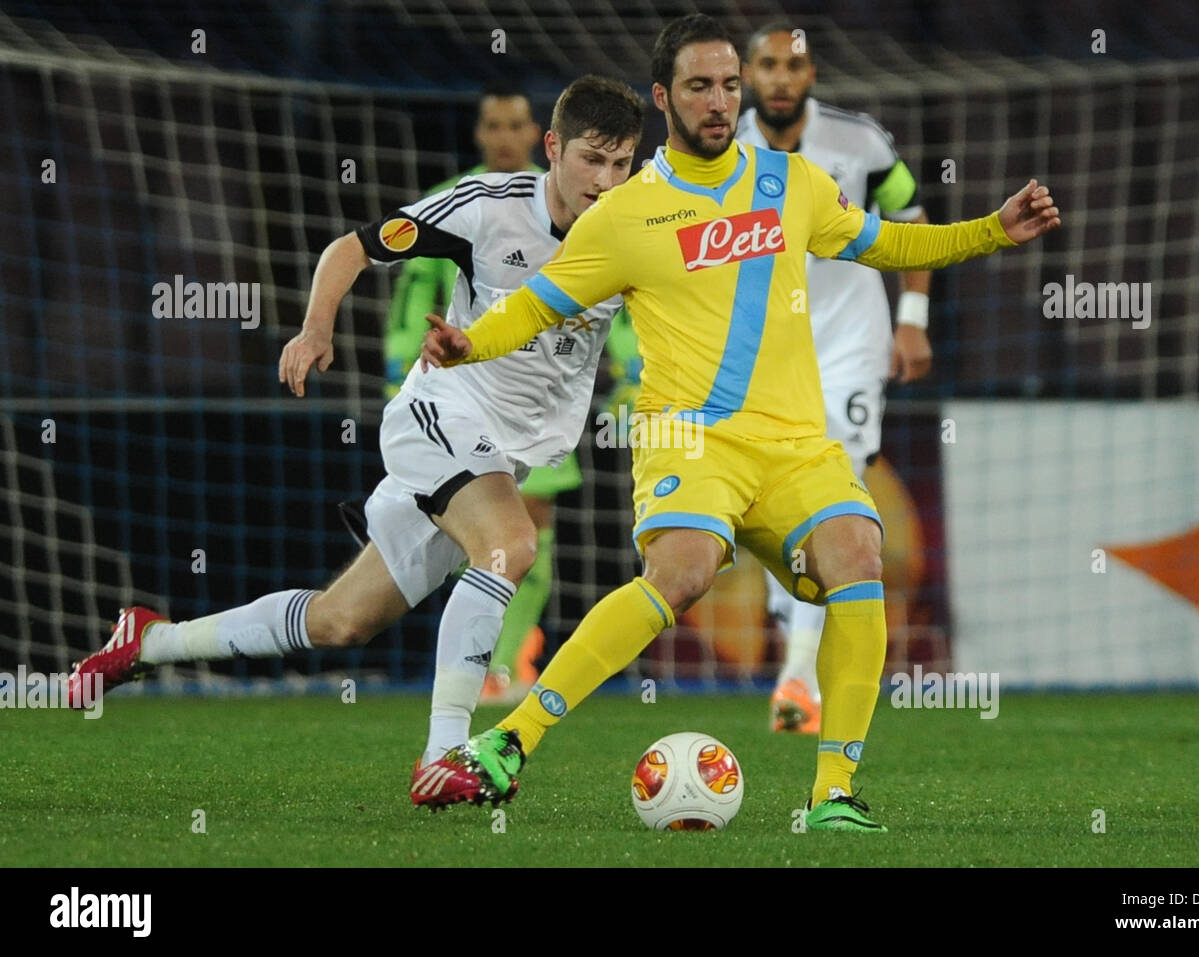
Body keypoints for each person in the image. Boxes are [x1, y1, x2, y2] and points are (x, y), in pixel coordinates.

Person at [417, 13, 1060, 832]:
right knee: (681, 572)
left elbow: (887, 243)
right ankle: (509, 741)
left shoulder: (790, 183)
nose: (720, 100)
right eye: (699, 86)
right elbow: (534, 307)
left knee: (859, 553)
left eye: (729, 84)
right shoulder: (623, 213)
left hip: (796, 444)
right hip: (691, 437)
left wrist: (992, 232)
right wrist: (468, 343)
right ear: (662, 98)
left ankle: (832, 793)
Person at [68, 75, 646, 811]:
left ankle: (150, 642)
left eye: (620, 163)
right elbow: (353, 247)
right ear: (553, 149)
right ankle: (444, 756)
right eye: (591, 160)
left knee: (341, 619)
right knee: (510, 544)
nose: (605, 181)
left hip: (510, 453)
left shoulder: (633, 228)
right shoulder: (485, 207)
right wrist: (316, 329)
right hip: (441, 416)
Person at [737, 22, 934, 733]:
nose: (782, 77)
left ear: (811, 70)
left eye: (793, 64)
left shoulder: (862, 143)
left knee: (835, 488)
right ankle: (798, 652)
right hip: (762, 354)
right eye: (768, 65)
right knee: (773, 503)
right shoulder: (719, 152)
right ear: (749, 75)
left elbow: (912, 219)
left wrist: (912, 317)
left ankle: (796, 679)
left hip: (851, 343)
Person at [377, 85, 553, 704]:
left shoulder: (569, 201)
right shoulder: (461, 198)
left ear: (537, 135)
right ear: (480, 135)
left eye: (515, 124)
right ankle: (477, 666)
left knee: (533, 529)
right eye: (493, 125)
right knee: (483, 531)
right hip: (462, 388)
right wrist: (401, 357)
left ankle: (504, 664)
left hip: (541, 395)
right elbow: (415, 284)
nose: (505, 136)